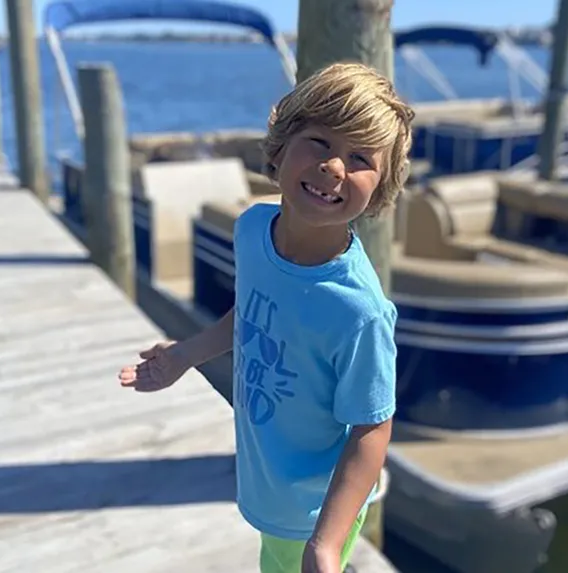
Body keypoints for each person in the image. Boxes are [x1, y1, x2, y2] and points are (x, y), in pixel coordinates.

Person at [117, 61, 415, 573]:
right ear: (280, 149)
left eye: (360, 157)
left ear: (381, 188)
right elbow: (254, 315)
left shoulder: (358, 310)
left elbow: (372, 428)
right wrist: (184, 355)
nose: (334, 167)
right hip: (266, 487)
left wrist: (325, 542)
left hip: (314, 514)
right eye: (320, 142)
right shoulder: (254, 230)